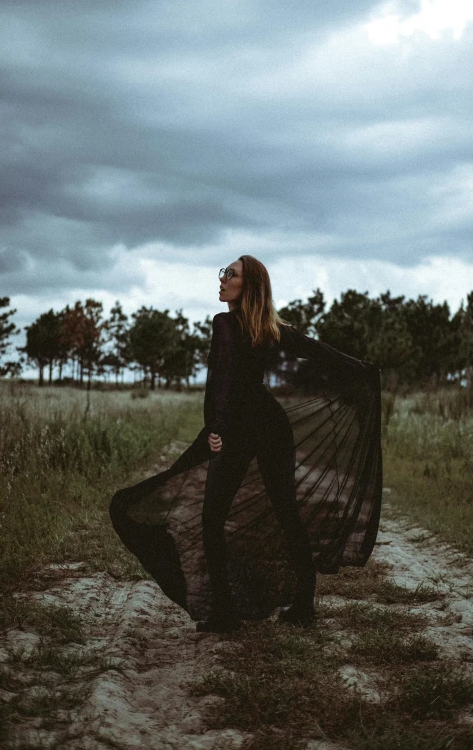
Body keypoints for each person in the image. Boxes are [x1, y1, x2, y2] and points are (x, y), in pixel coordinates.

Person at [109, 255, 382, 633]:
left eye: (230, 275)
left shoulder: (226, 323)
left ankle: (225, 613)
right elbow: (319, 351)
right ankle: (303, 604)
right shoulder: (271, 328)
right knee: (286, 513)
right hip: (269, 424)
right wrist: (363, 369)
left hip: (238, 428)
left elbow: (219, 379)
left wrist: (214, 426)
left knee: (213, 517)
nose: (222, 280)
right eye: (224, 273)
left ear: (248, 286)